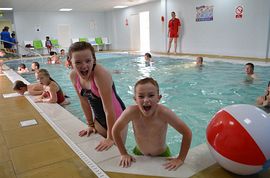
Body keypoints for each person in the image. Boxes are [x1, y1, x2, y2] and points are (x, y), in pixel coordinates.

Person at [112, 77, 192, 170]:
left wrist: (180, 158)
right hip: (139, 152)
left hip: (162, 154)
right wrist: (123, 153)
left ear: (158, 98)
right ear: (135, 99)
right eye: (141, 96)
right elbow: (115, 130)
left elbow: (187, 133)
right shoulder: (131, 112)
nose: (146, 100)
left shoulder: (164, 113)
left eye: (151, 95)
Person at [69, 41, 127, 151]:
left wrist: (110, 137)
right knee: (100, 150)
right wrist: (90, 125)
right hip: (99, 119)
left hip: (117, 116)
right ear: (70, 62)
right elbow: (84, 102)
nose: (84, 66)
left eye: (88, 61)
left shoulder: (100, 75)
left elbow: (109, 109)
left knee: (117, 151)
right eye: (78, 62)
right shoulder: (73, 76)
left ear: (94, 60)